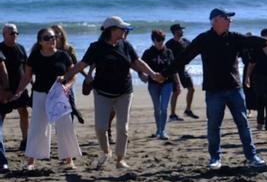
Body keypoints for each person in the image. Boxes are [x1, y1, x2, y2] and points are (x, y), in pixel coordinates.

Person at [164, 8, 267, 169]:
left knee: (243, 123)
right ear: (216, 20)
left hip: (234, 88)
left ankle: (252, 156)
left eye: (230, 18)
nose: (230, 21)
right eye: (227, 18)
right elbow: (185, 57)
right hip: (213, 90)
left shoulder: (234, 37)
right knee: (213, 126)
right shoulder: (204, 39)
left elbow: (249, 40)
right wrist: (165, 73)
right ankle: (215, 158)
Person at [62, 16, 160, 170]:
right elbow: (82, 64)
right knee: (101, 127)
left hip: (124, 92)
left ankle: (120, 159)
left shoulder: (125, 45)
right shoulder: (96, 47)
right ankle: (105, 151)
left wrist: (152, 73)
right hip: (102, 93)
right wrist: (65, 77)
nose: (125, 31)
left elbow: (137, 62)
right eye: (122, 28)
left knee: (123, 129)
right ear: (112, 30)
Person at [14, 26, 81, 171]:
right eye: (47, 38)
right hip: (40, 94)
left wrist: (67, 87)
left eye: (53, 37)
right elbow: (27, 76)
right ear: (40, 42)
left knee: (64, 126)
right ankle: (31, 161)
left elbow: (72, 75)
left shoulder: (63, 56)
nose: (51, 40)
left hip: (59, 95)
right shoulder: (35, 56)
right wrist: (19, 91)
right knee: (38, 127)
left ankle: (69, 160)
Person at [141, 29, 179, 139]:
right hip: (153, 84)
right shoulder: (148, 53)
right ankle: (158, 129)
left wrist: (178, 83)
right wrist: (142, 75)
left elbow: (174, 69)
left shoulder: (168, 52)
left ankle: (163, 131)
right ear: (153, 40)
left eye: (162, 39)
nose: (160, 42)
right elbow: (140, 66)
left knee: (164, 107)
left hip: (167, 83)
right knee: (157, 108)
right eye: (158, 39)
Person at [2, 24, 31, 151]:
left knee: (23, 113)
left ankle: (25, 140)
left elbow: (27, 68)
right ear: (4, 35)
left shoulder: (20, 48)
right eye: (12, 33)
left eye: (16, 33)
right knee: (1, 115)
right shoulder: (0, 49)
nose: (15, 36)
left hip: (20, 87)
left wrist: (29, 83)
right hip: (4, 89)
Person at [165, 23, 197, 119]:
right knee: (176, 91)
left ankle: (188, 110)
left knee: (191, 89)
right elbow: (166, 58)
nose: (182, 31)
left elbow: (195, 49)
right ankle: (172, 114)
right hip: (174, 71)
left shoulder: (185, 41)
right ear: (175, 31)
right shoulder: (169, 44)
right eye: (180, 30)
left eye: (182, 30)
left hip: (183, 69)